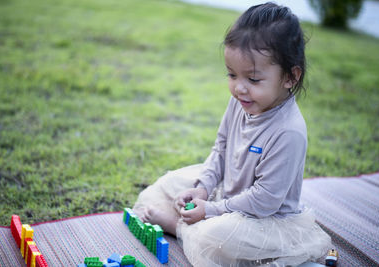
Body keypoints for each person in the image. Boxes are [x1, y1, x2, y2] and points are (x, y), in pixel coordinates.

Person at [133, 2, 331, 266]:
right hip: (226, 196)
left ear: (290, 77)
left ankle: (177, 226)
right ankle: (193, 220)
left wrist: (211, 211)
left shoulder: (289, 132)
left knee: (218, 238)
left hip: (264, 219)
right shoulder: (241, 102)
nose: (239, 88)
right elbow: (221, 148)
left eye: (253, 79)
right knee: (168, 184)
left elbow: (264, 200)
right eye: (231, 74)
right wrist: (203, 188)